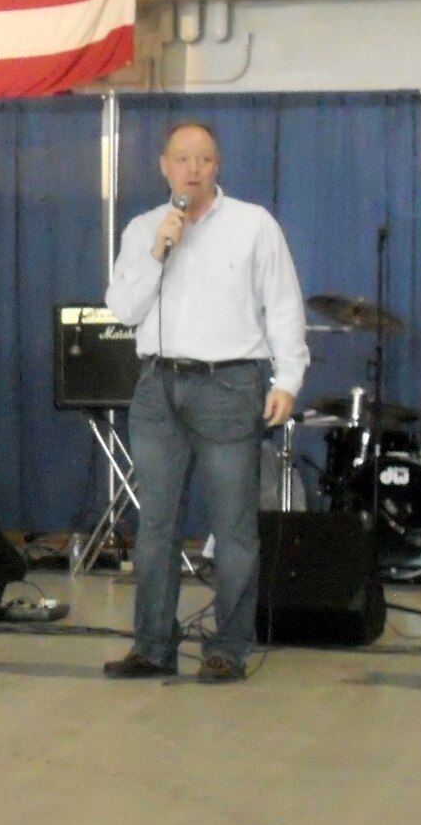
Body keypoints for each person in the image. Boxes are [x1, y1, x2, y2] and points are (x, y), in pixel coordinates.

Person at [101, 121, 308, 684]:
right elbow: (123, 308)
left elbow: (284, 304)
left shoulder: (252, 225)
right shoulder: (146, 227)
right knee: (156, 527)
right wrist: (156, 251)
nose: (193, 169)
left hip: (230, 384)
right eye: (183, 159)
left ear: (218, 167)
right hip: (157, 387)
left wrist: (287, 378)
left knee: (233, 527)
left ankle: (229, 648)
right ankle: (152, 646)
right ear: (165, 166)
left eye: (205, 159)